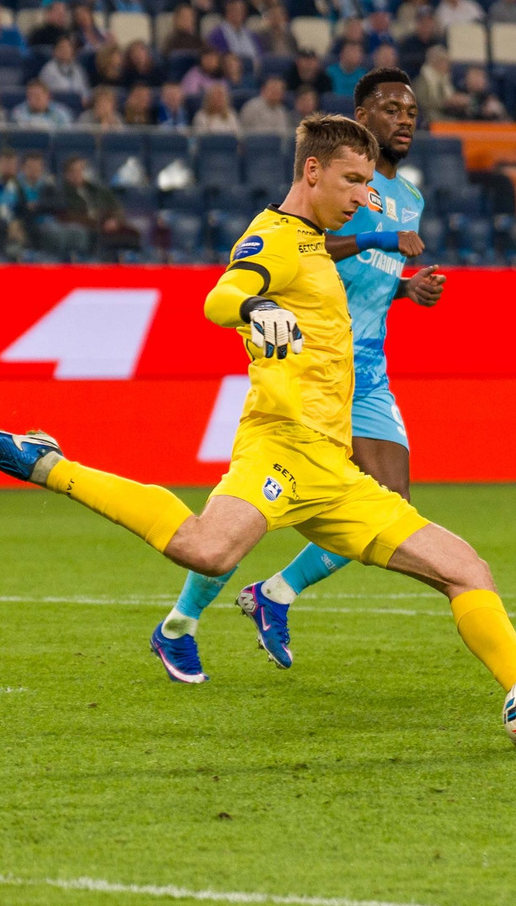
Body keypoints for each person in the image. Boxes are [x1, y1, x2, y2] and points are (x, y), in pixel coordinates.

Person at [0, 114, 516, 735]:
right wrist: (254, 309)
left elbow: (323, 271)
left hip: (334, 470)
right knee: (206, 549)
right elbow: (219, 295)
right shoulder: (273, 238)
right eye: (353, 181)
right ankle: (44, 461)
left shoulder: (313, 241)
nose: (365, 195)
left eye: (369, 181)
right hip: (279, 450)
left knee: (468, 569)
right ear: (312, 172)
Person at [149, 66, 448, 674]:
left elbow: (356, 283)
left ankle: (274, 594)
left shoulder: (410, 197)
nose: (405, 121)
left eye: (412, 112)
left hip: (367, 364)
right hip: (307, 363)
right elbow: (310, 250)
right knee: (261, 507)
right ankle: (180, 623)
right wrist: (383, 240)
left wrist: (405, 288)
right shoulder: (348, 187)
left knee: (390, 499)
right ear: (361, 120)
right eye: (392, 109)